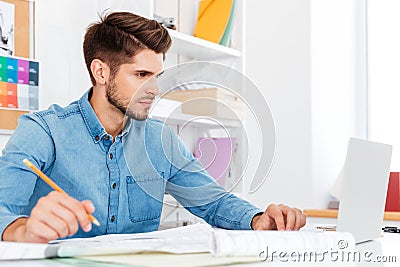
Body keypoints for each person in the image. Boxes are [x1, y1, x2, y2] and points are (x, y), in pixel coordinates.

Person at [0, 12, 306, 243]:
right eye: (142, 74)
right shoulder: (42, 131)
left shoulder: (160, 140)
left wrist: (257, 219)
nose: (154, 89)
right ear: (101, 72)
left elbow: (212, 201)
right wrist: (22, 229)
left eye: (157, 75)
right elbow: (2, 210)